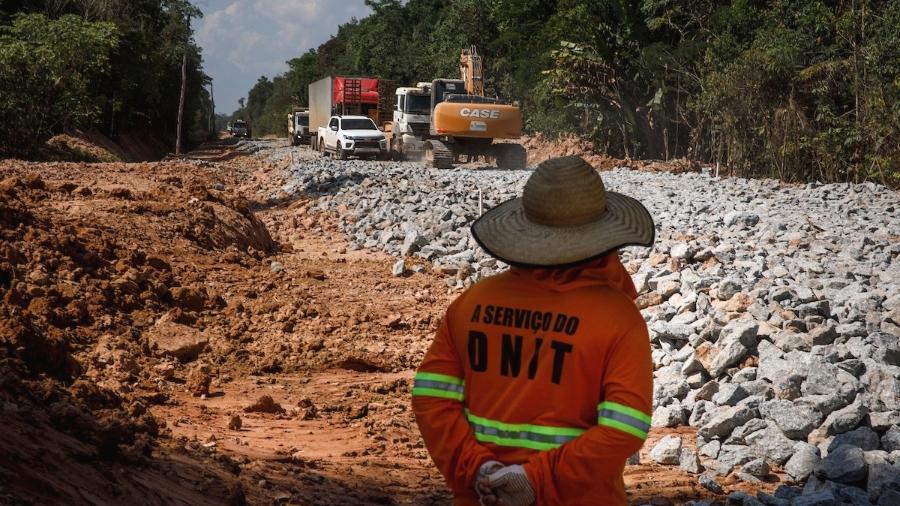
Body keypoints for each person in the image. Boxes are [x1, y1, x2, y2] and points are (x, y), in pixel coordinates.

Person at [411, 155, 656, 506]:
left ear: (525, 233)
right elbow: (625, 427)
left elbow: (430, 397)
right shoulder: (619, 320)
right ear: (604, 240)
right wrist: (534, 481)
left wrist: (478, 469)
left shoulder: (471, 304)